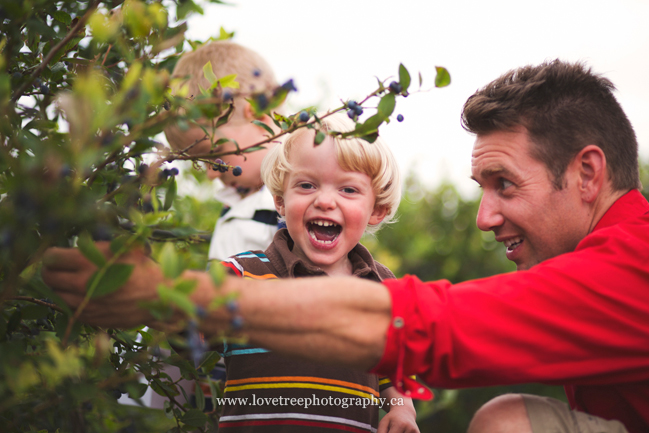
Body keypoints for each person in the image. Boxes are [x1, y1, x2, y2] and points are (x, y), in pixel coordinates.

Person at [42, 60, 649, 433]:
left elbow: (429, 328)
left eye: (505, 185)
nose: (485, 218)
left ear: (588, 175)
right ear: (282, 198)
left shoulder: (634, 266)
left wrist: (171, 292)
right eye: (306, 185)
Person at [211, 112, 417, 432]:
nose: (324, 201)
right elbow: (188, 325)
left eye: (348, 190)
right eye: (307, 185)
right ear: (280, 200)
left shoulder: (384, 289)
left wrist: (403, 410)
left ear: (376, 209)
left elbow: (396, 366)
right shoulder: (242, 273)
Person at [164, 40, 283, 261]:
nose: (211, 173)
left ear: (258, 117)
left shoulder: (297, 202)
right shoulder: (238, 203)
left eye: (215, 155)